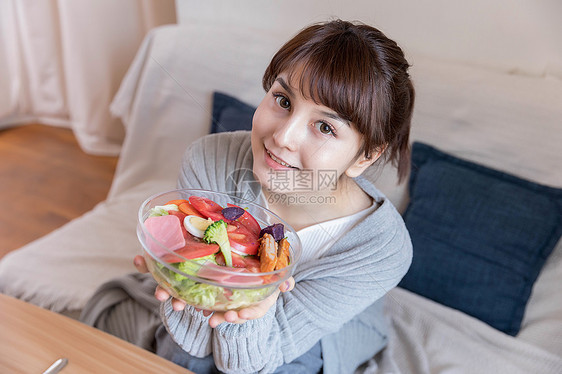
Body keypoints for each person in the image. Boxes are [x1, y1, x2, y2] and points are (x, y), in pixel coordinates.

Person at [80, 19, 414, 374]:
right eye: (283, 100)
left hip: (317, 333)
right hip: (206, 335)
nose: (283, 136)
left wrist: (251, 310)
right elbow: (192, 343)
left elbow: (256, 362)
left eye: (325, 126)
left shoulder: (382, 249)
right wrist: (190, 286)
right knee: (183, 357)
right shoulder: (208, 160)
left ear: (366, 156)